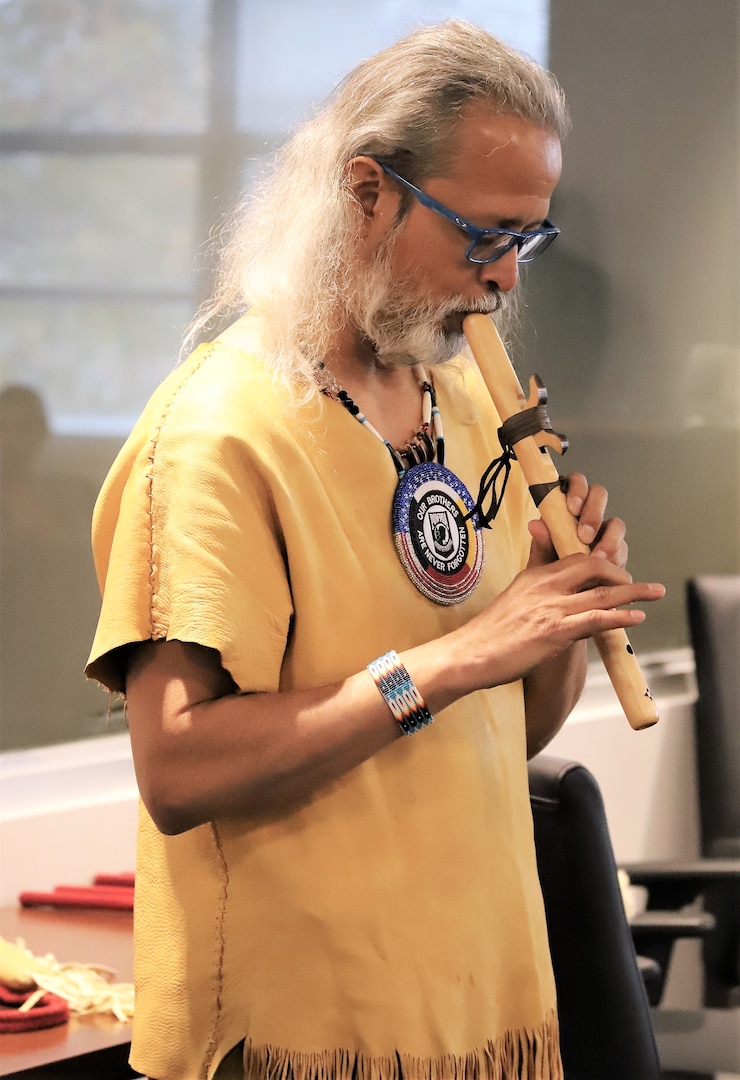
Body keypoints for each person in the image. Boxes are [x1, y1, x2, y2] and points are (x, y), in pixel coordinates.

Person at [85, 20, 664, 1080]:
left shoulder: (463, 397)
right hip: (302, 1031)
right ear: (364, 192)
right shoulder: (219, 433)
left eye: (526, 241)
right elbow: (177, 766)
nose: (501, 281)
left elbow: (513, 733)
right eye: (480, 234)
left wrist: (549, 616)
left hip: (486, 1008)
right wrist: (456, 656)